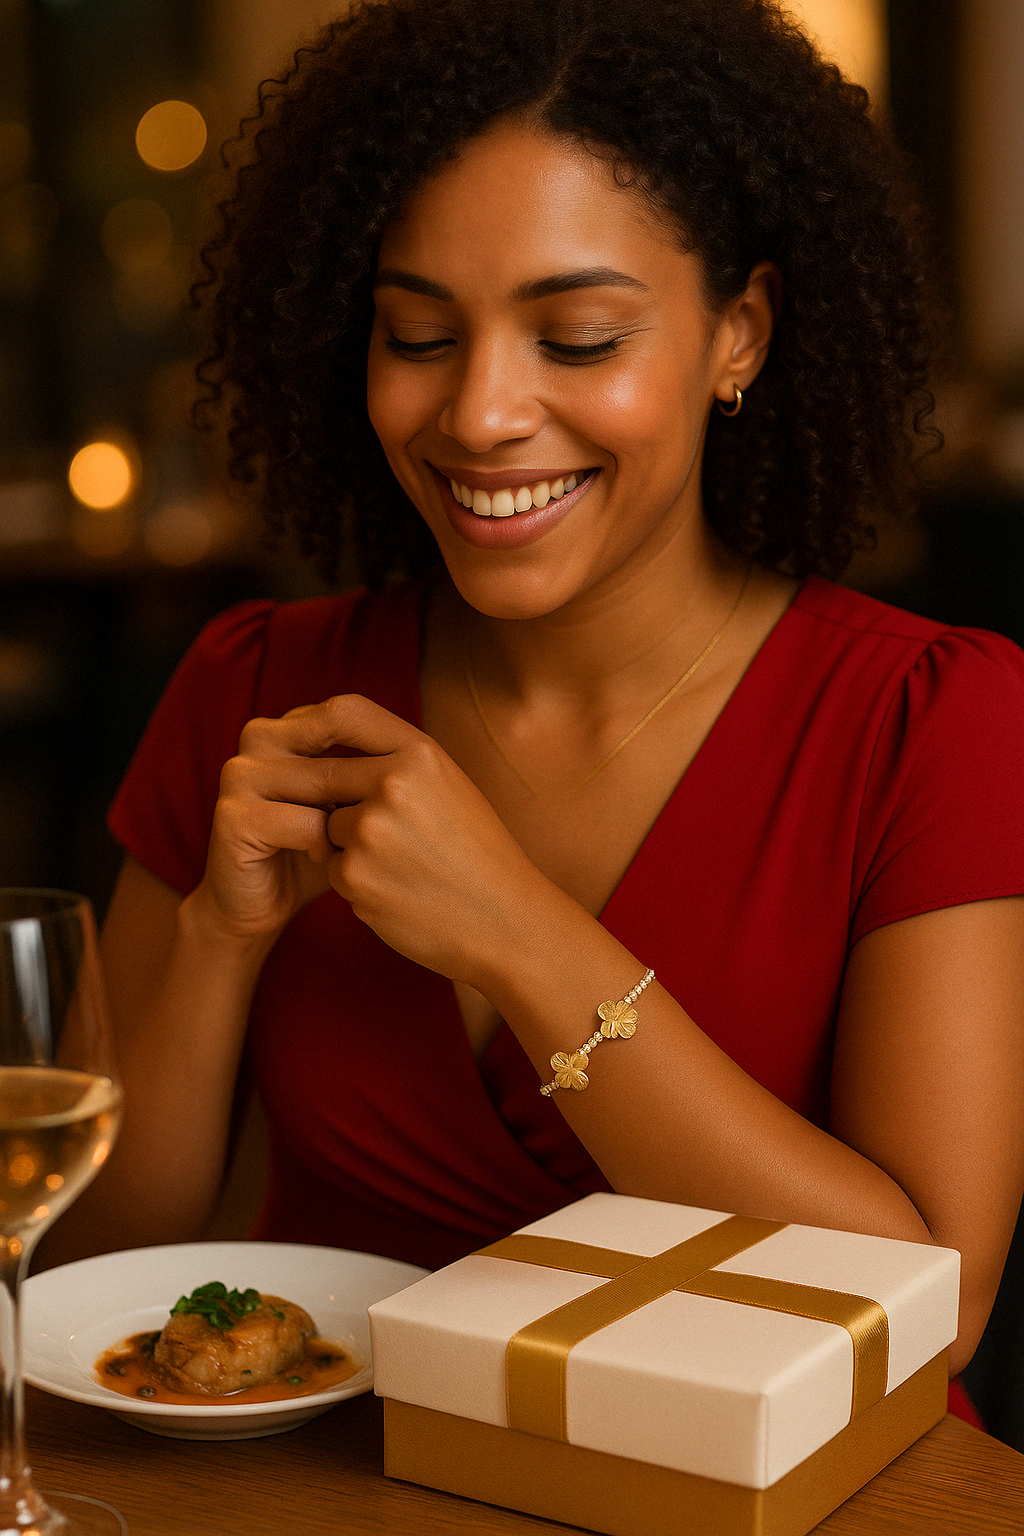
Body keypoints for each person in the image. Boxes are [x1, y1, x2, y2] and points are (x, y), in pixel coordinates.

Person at [52, 0, 1024, 1422]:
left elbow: (931, 1307)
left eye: (577, 338)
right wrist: (215, 935)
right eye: (418, 333)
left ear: (737, 333)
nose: (483, 414)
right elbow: (87, 1275)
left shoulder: (928, 719)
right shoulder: (255, 689)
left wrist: (514, 932)